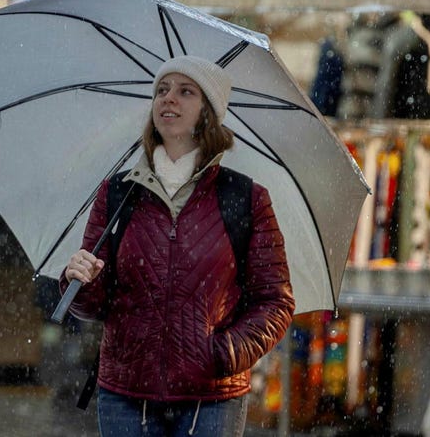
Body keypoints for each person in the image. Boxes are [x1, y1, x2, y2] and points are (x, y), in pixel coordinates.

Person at [62, 56, 295, 437]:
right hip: (126, 394)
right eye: (161, 90)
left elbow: (275, 302)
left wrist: (225, 353)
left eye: (186, 91)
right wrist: (80, 282)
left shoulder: (245, 198)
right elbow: (94, 306)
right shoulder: (118, 192)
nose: (168, 98)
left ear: (208, 114)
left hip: (212, 399)